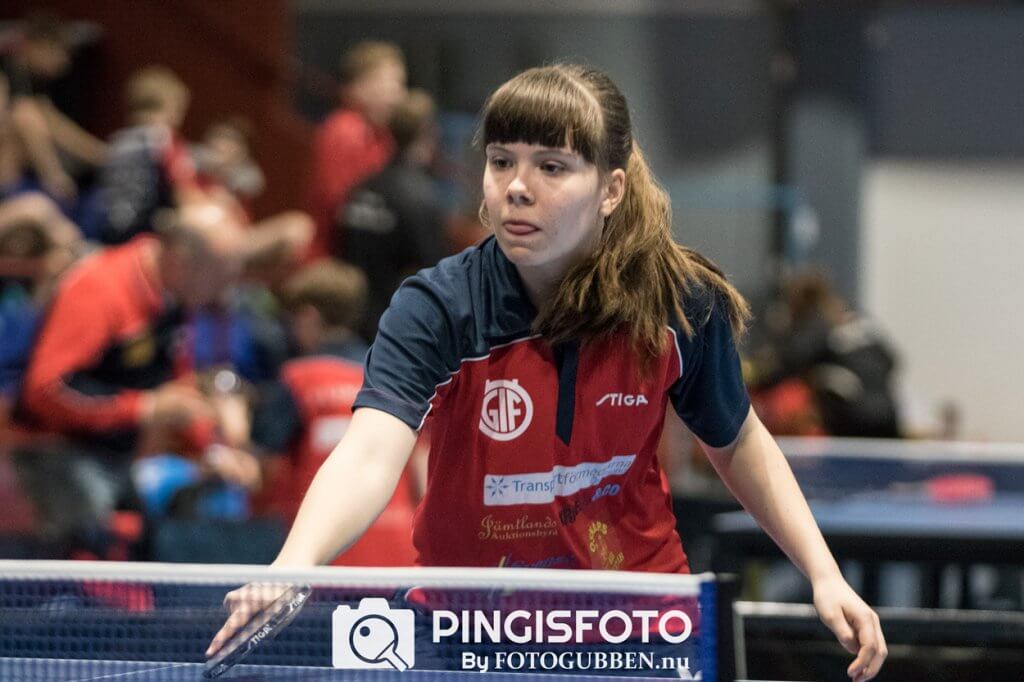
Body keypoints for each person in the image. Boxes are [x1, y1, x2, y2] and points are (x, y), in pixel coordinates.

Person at [209, 65, 886, 681]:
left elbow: (736, 440)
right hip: (471, 630)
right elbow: (369, 452)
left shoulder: (678, 303)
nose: (516, 187)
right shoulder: (440, 307)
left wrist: (823, 574)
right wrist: (294, 564)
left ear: (611, 189)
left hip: (638, 625)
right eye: (501, 161)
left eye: (552, 167)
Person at [249, 260, 421, 566]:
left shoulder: (297, 379)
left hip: (323, 553)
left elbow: (264, 471)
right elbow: (421, 467)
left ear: (309, 316)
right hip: (398, 551)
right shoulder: (394, 377)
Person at [341, 88, 449, 340]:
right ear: (428, 134)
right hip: (392, 330)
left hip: (351, 319)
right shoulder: (423, 198)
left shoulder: (362, 187)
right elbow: (434, 274)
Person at [307, 40, 406, 261]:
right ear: (358, 87)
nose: (398, 94)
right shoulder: (345, 131)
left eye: (400, 84)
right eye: (391, 82)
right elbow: (340, 205)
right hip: (336, 260)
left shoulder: (384, 137)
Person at [1, 12, 107, 203]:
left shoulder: (32, 82)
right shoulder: (7, 71)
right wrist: (55, 176)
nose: (64, 62)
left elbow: (53, 121)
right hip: (9, 169)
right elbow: (23, 116)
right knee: (24, 119)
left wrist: (100, 154)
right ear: (36, 45)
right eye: (57, 52)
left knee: (36, 116)